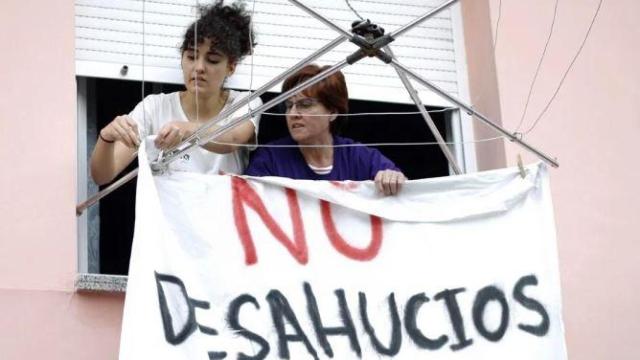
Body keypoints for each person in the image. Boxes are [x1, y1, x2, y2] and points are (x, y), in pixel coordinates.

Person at [91, 0, 260, 185]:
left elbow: (233, 139)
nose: (199, 67)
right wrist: (106, 137)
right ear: (182, 59)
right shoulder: (154, 107)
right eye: (191, 57)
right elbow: (102, 176)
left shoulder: (246, 102)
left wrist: (188, 129)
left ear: (231, 67)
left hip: (223, 213)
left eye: (212, 60)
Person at [245, 64, 406, 195]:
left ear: (333, 112)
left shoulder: (360, 157)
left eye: (305, 105)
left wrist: (394, 179)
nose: (293, 114)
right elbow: (247, 201)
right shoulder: (269, 158)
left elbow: (408, 192)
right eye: (288, 106)